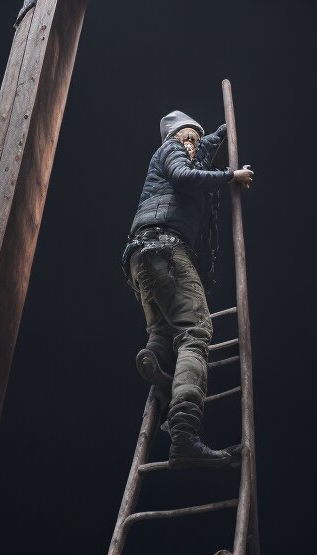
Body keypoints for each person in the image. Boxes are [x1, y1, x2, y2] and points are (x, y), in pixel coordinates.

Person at [122, 110, 254, 469]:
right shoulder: (171, 153)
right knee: (196, 332)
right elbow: (185, 175)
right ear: (174, 137)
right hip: (165, 250)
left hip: (143, 258)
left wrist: (221, 132)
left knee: (165, 329)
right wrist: (231, 175)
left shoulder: (182, 149)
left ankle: (155, 355)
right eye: (187, 137)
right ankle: (183, 434)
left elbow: (199, 150)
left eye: (195, 139)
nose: (193, 144)